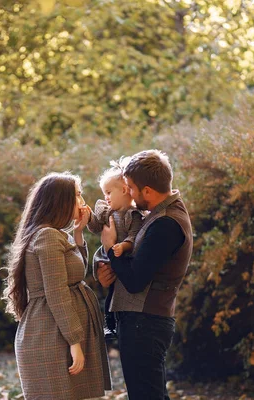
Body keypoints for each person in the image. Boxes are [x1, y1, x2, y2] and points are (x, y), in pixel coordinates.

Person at [3, 172, 111, 400]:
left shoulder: (56, 234)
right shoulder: (47, 237)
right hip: (52, 335)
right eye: (78, 196)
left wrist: (79, 232)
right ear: (61, 201)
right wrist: (75, 341)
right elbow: (57, 292)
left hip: (58, 331)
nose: (83, 203)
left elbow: (76, 272)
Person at [98, 150, 193, 400]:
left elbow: (135, 281)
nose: (127, 192)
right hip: (145, 321)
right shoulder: (158, 216)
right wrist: (111, 271)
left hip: (145, 323)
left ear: (148, 191)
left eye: (130, 187)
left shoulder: (165, 224)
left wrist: (110, 247)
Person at [86, 158, 144, 339]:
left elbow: (134, 237)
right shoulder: (108, 212)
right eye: (105, 193)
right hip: (108, 258)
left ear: (125, 190)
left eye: (109, 192)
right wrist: (88, 217)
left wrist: (123, 245)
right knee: (109, 292)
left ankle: (111, 325)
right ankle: (108, 325)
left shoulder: (133, 215)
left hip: (122, 257)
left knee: (115, 294)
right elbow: (96, 227)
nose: (106, 197)